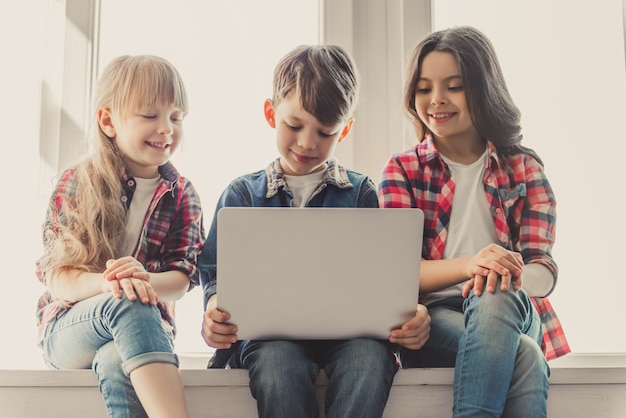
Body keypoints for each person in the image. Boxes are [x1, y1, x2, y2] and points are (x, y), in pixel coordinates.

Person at [199, 44, 431, 418]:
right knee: (278, 366)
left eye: (325, 132)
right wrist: (214, 315)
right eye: (295, 126)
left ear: (346, 130)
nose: (308, 142)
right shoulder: (242, 194)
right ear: (271, 114)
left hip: (351, 339)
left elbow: (383, 278)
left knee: (369, 362)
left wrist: (411, 314)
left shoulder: (360, 193)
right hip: (271, 339)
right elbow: (215, 277)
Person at [378, 26, 570, 418]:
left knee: (495, 293)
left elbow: (542, 269)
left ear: (483, 88)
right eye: (424, 88)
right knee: (527, 357)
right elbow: (397, 272)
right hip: (435, 320)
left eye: (454, 86)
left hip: (514, 309)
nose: (436, 100)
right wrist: (471, 265)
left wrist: (503, 273)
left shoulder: (524, 169)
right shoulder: (403, 169)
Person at [35, 55, 204, 418]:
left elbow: (181, 279)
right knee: (128, 300)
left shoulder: (182, 194)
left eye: (176, 118)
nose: (166, 129)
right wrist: (113, 283)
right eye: (150, 116)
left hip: (141, 334)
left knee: (116, 358)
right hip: (68, 331)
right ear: (109, 121)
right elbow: (59, 280)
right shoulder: (78, 182)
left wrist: (144, 279)